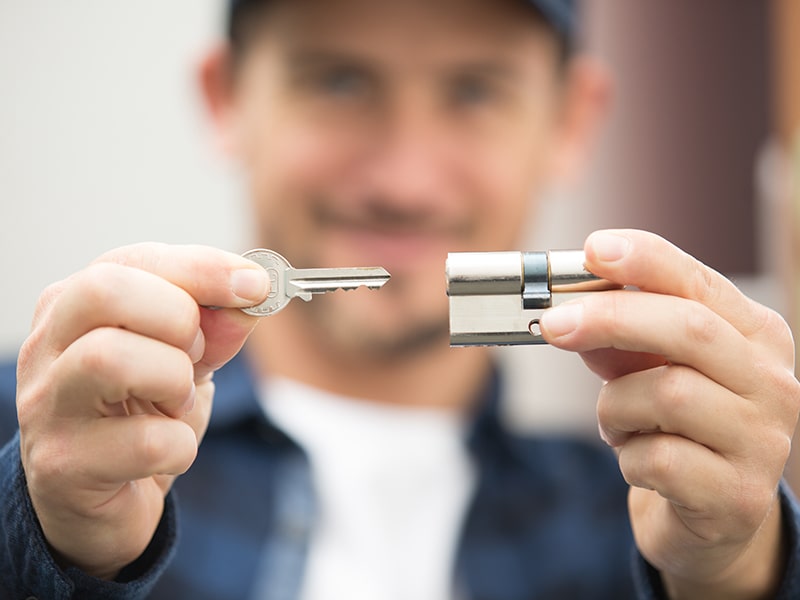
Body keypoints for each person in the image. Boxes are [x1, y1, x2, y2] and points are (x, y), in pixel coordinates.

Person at [2, 0, 799, 598]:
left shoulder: (645, 520)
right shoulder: (44, 442)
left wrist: (738, 572)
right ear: (227, 98)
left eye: (476, 91)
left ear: (570, 121)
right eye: (340, 80)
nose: (404, 181)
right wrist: (51, 543)